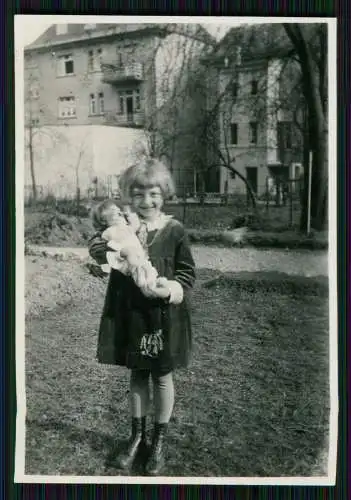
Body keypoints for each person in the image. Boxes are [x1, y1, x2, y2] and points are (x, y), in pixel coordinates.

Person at [88, 158, 196, 475]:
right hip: (131, 313)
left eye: (153, 194)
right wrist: (104, 257)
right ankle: (137, 438)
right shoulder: (121, 227)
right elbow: (98, 247)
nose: (146, 201)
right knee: (137, 373)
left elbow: (188, 274)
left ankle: (158, 442)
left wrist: (170, 289)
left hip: (163, 316)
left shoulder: (175, 230)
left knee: (162, 375)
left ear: (165, 194)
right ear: (127, 196)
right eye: (137, 194)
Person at [91, 199, 169, 297]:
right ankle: (147, 286)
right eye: (114, 212)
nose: (119, 213)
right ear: (104, 219)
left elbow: (137, 227)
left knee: (147, 267)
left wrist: (130, 221)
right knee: (137, 269)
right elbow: (105, 243)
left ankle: (154, 282)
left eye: (119, 211)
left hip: (140, 255)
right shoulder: (109, 231)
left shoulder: (127, 226)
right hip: (128, 261)